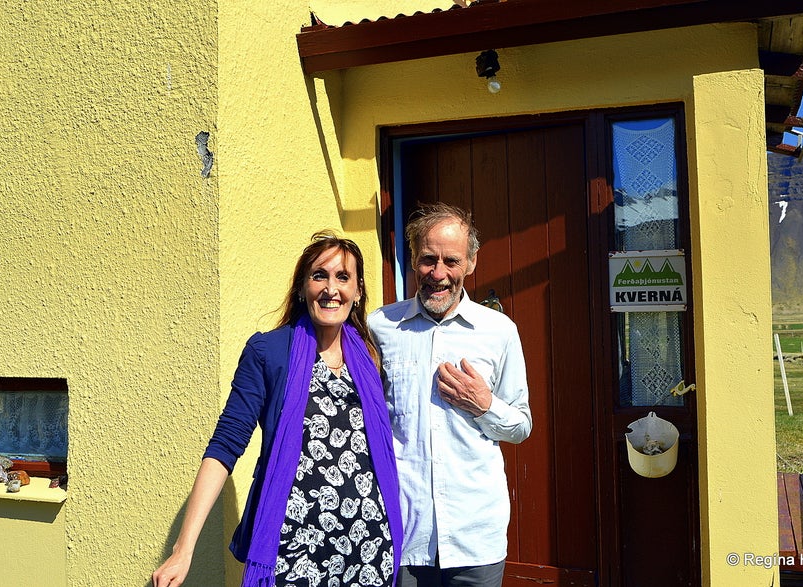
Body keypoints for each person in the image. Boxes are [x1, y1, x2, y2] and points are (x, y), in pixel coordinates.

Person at [153, 231, 402, 587]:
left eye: (343, 277)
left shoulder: (370, 357)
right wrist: (183, 547)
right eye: (320, 275)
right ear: (303, 288)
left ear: (358, 291)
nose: (331, 288)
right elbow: (225, 446)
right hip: (295, 551)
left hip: (369, 549)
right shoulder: (268, 352)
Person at [368, 203, 532, 587]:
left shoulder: (499, 331)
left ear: (472, 262)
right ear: (412, 259)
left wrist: (484, 404)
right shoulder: (380, 327)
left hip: (476, 538)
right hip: (405, 535)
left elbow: (521, 427)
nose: (438, 274)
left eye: (451, 261)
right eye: (428, 259)